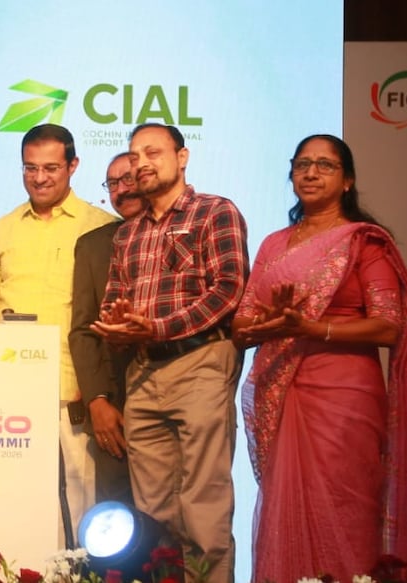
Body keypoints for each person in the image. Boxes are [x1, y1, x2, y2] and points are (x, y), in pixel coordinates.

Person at [231, 134, 407, 582]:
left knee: (345, 506)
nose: (310, 173)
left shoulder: (364, 242)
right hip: (283, 391)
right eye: (302, 164)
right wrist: (272, 323)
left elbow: (387, 325)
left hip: (345, 396)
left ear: (348, 181)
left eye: (325, 165)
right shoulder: (274, 244)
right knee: (285, 506)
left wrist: (312, 328)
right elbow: (242, 325)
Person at [92, 123, 248, 583]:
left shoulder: (214, 212)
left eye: (153, 152)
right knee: (154, 508)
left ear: (182, 157)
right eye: (134, 155)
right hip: (143, 372)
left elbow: (228, 292)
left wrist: (155, 327)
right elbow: (113, 300)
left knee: (204, 503)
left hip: (200, 363)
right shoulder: (128, 234)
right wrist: (117, 327)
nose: (141, 163)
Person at [0, 123, 115, 547]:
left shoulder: (102, 227)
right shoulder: (2, 228)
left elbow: (106, 319)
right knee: (14, 510)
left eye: (51, 168)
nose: (39, 178)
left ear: (73, 166)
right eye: (30, 168)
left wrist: (97, 392)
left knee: (80, 512)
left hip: (73, 395)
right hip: (9, 399)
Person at [69, 152, 146, 506]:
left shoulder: (186, 231)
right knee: (116, 525)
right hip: (113, 407)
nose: (121, 190)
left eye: (128, 179)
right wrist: (97, 400)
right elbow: (84, 330)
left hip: (176, 400)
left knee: (176, 521)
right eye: (112, 184)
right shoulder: (92, 245)